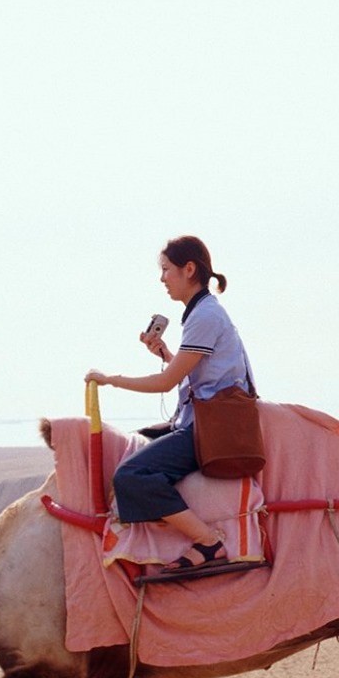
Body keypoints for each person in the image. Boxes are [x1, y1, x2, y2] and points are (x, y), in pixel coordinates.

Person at [86, 236, 254, 573]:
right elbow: (195, 375)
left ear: (189, 269)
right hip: (198, 420)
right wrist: (165, 354)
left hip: (208, 430)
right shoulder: (200, 313)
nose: (162, 278)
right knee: (137, 441)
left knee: (130, 475)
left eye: (166, 270)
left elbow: (165, 383)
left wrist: (110, 380)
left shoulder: (205, 316)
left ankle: (208, 542)